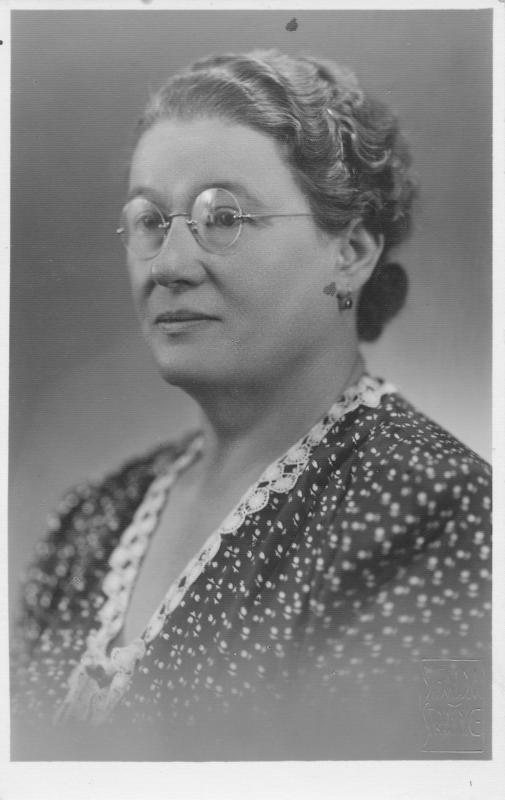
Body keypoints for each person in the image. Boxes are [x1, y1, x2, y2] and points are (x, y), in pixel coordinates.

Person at [10, 49, 491, 761]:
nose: (169, 266)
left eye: (224, 216)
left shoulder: (430, 507)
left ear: (351, 251)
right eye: (150, 221)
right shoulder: (90, 523)